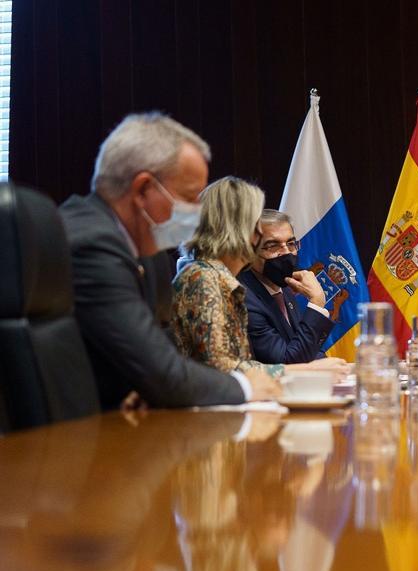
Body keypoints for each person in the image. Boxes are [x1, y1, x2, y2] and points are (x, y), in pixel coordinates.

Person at [61, 112, 278, 409]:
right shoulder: (94, 246)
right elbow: (164, 374)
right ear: (142, 190)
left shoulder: (142, 254)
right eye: (189, 197)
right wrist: (245, 387)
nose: (196, 212)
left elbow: (163, 359)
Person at [171, 177, 345, 378]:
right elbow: (224, 370)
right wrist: (306, 369)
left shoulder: (218, 277)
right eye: (255, 223)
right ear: (235, 228)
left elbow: (242, 363)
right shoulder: (203, 278)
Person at [237, 209, 334, 364]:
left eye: (291, 244)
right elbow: (286, 361)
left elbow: (303, 346)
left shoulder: (284, 287)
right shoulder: (243, 298)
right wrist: (316, 303)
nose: (286, 252)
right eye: (273, 245)